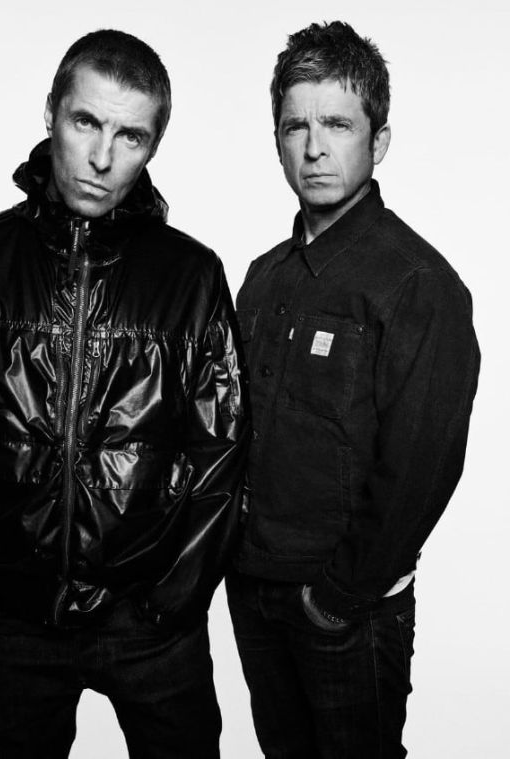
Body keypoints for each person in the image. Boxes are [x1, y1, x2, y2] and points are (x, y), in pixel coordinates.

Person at [0, 29, 247, 759]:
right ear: (51, 112)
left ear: (153, 146)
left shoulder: (191, 277)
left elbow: (220, 452)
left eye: (130, 136)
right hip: (14, 620)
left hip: (148, 619)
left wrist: (171, 599)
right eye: (85, 122)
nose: (101, 157)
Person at [227, 20, 480, 759]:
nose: (314, 148)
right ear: (276, 140)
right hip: (255, 588)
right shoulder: (262, 278)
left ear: (380, 140)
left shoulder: (418, 284)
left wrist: (339, 597)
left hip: (345, 607)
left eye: (337, 124)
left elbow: (423, 464)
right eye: (295, 126)